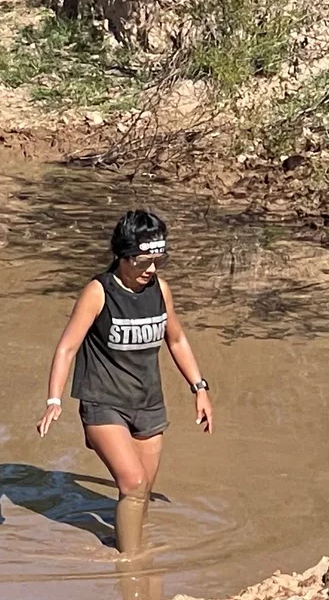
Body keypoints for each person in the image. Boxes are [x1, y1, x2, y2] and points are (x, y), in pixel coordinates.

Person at [36, 210, 213, 556]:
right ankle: (130, 567)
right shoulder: (99, 292)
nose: (152, 269)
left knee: (141, 492)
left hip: (148, 404)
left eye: (158, 260)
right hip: (103, 401)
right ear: (123, 255)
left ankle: (132, 550)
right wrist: (54, 401)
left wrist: (200, 388)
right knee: (133, 483)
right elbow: (67, 347)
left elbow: (176, 339)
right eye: (143, 262)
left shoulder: (160, 290)